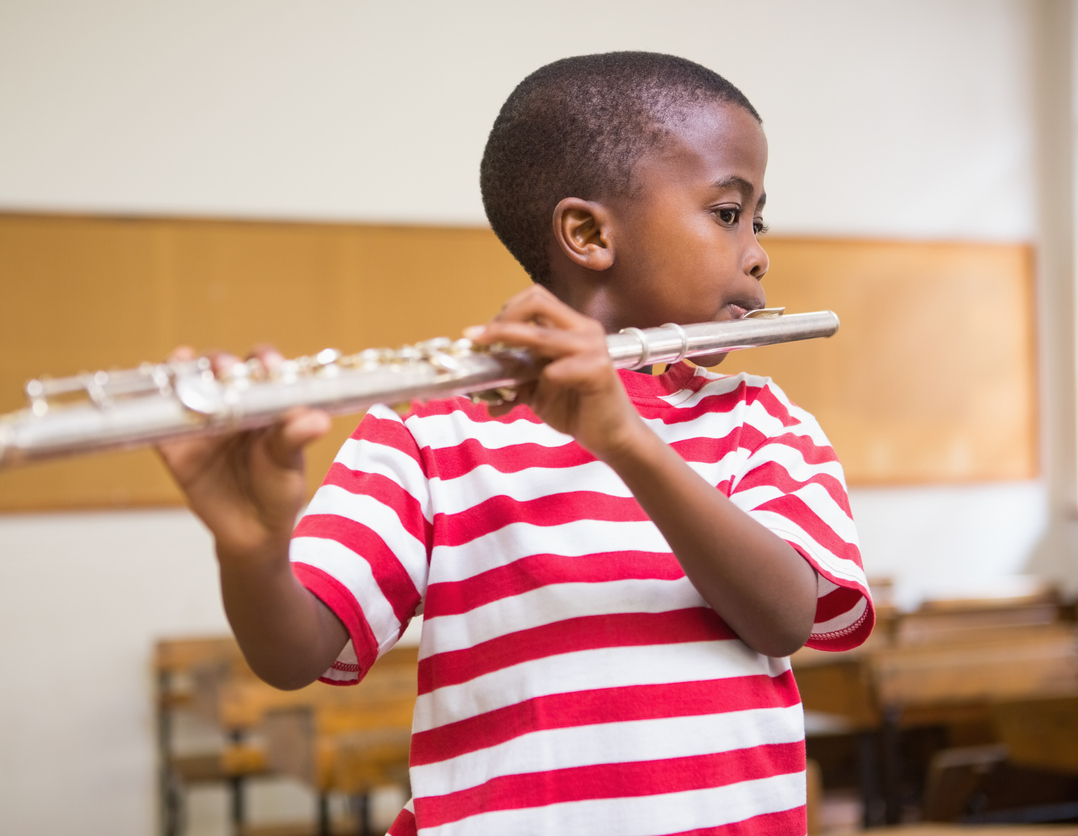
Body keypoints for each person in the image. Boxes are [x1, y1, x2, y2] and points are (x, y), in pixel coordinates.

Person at [159, 52, 873, 836]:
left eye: (756, 220)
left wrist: (626, 440)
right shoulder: (428, 429)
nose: (758, 252)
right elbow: (294, 656)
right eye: (728, 213)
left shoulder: (761, 420)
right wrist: (253, 551)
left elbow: (785, 618)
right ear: (589, 233)